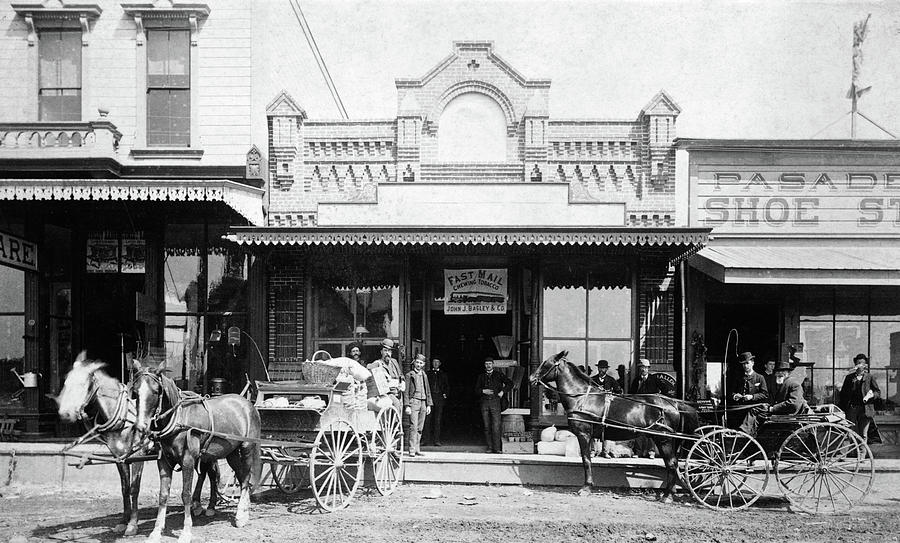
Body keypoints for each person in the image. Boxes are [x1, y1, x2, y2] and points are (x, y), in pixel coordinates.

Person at [838, 353, 882, 443]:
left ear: (865, 365)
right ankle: (851, 453)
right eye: (858, 363)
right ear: (855, 365)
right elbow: (843, 394)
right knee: (850, 432)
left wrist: (872, 395)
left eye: (862, 363)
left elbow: (878, 392)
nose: (860, 365)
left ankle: (861, 455)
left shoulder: (869, 377)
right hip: (852, 409)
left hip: (865, 409)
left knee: (863, 434)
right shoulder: (849, 378)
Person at [726, 351, 769, 435]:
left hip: (753, 410)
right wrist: (735, 395)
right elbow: (730, 393)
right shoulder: (738, 378)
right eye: (743, 364)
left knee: (749, 433)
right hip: (739, 410)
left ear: (752, 363)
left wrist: (752, 397)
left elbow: (765, 394)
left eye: (747, 363)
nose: (745, 366)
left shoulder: (760, 378)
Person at [475, 357, 511, 454]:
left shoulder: (499, 375)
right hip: (484, 403)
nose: (488, 365)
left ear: (493, 364)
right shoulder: (481, 376)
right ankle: (490, 447)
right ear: (484, 365)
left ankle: (497, 448)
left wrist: (503, 391)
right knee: (487, 426)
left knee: (496, 425)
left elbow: (510, 383)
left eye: (490, 363)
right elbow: (476, 390)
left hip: (495, 402)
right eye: (486, 364)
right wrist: (483, 391)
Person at [403, 353, 432, 457]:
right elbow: (406, 392)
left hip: (423, 402)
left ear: (423, 364)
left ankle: (417, 449)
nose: (419, 365)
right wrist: (407, 405)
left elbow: (427, 390)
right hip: (414, 402)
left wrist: (429, 404)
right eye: (417, 362)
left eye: (421, 363)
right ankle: (411, 449)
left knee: (420, 427)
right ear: (414, 362)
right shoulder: (409, 375)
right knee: (413, 427)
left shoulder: (424, 375)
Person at [367, 338, 405, 414]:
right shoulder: (378, 363)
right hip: (387, 394)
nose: (388, 353)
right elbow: (368, 367)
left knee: (399, 410)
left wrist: (402, 383)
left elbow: (401, 376)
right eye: (385, 350)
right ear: (381, 352)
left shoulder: (394, 362)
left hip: (398, 393)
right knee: (396, 406)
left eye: (389, 351)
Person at [425, 356, 449, 446]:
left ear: (440, 364)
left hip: (439, 398)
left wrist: (445, 394)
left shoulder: (443, 374)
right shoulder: (427, 374)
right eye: (434, 362)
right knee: (427, 420)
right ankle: (425, 440)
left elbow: (447, 386)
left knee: (437, 420)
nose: (435, 363)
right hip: (429, 398)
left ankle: (436, 440)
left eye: (437, 362)